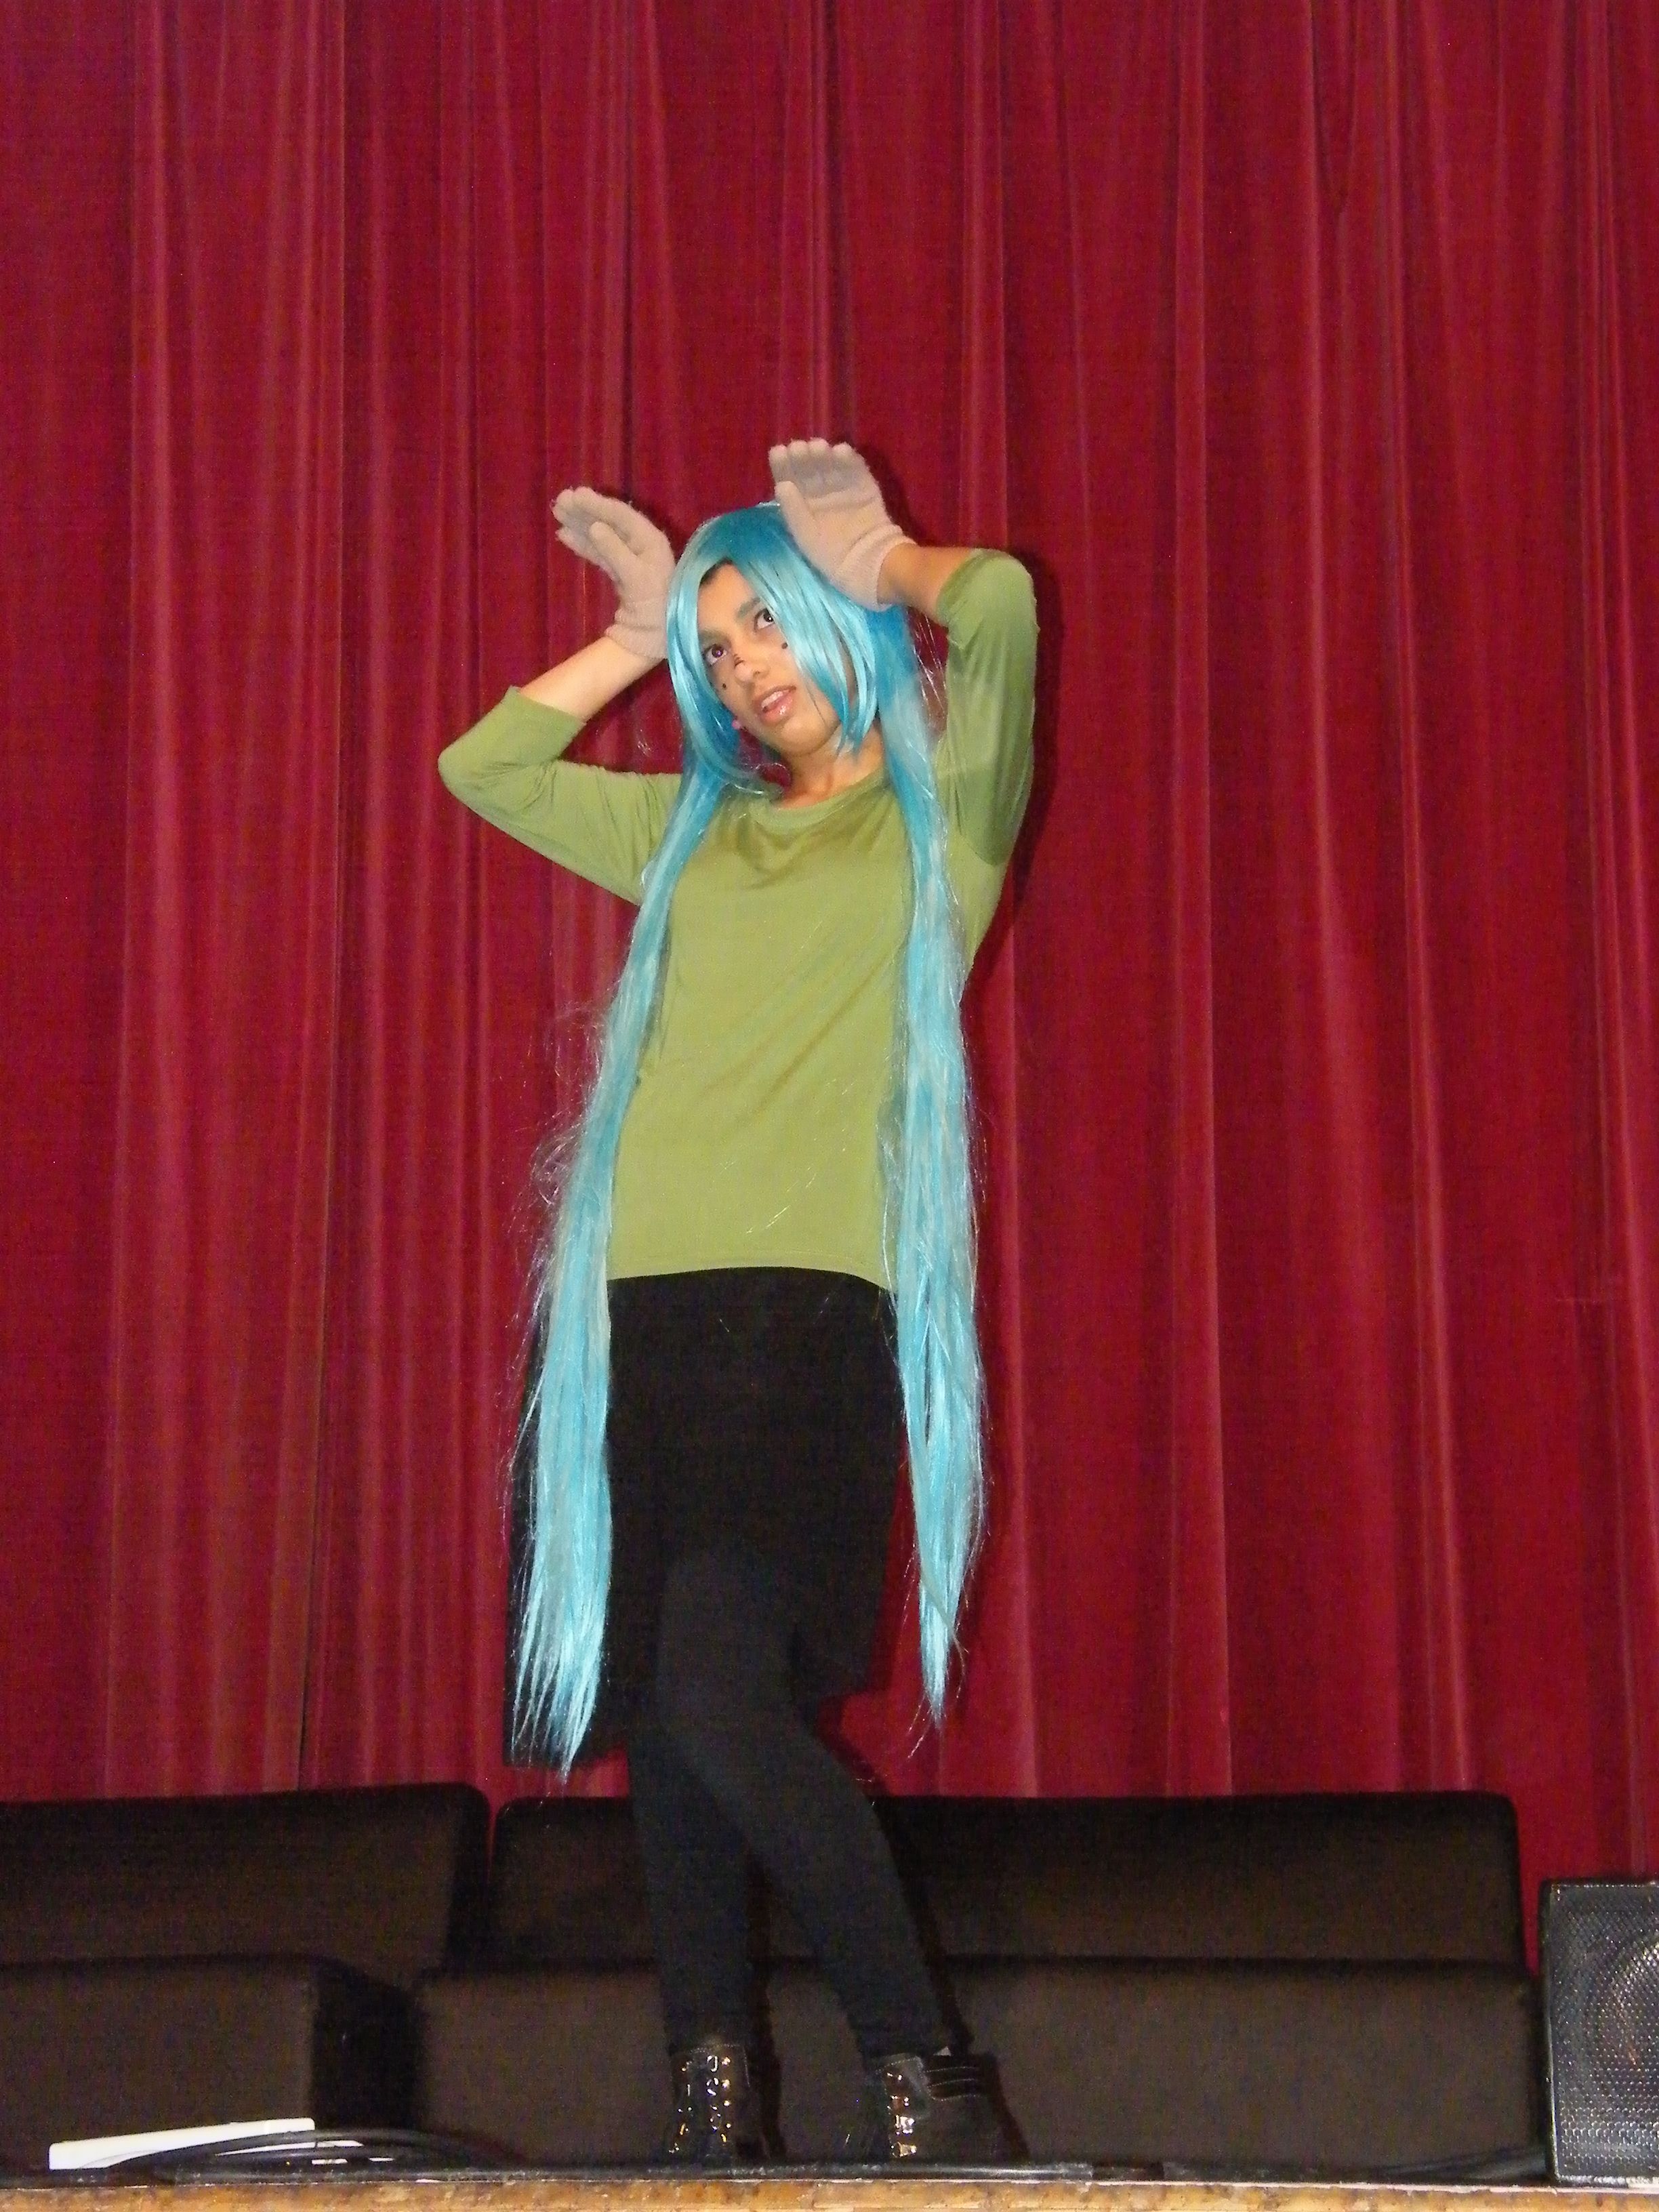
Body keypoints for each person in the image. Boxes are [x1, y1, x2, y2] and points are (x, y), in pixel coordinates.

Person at [439, 440, 1037, 2163]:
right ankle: (714, 2100)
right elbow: (485, 767)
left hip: (808, 1326)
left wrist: (885, 555)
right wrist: (635, 638)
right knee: (663, 1725)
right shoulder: (693, 831)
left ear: (832, 615)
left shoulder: (943, 821)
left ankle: (926, 2072)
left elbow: (1002, 608)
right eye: (721, 647)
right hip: (631, 1330)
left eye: (764, 622)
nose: (747, 666)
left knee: (716, 1697)